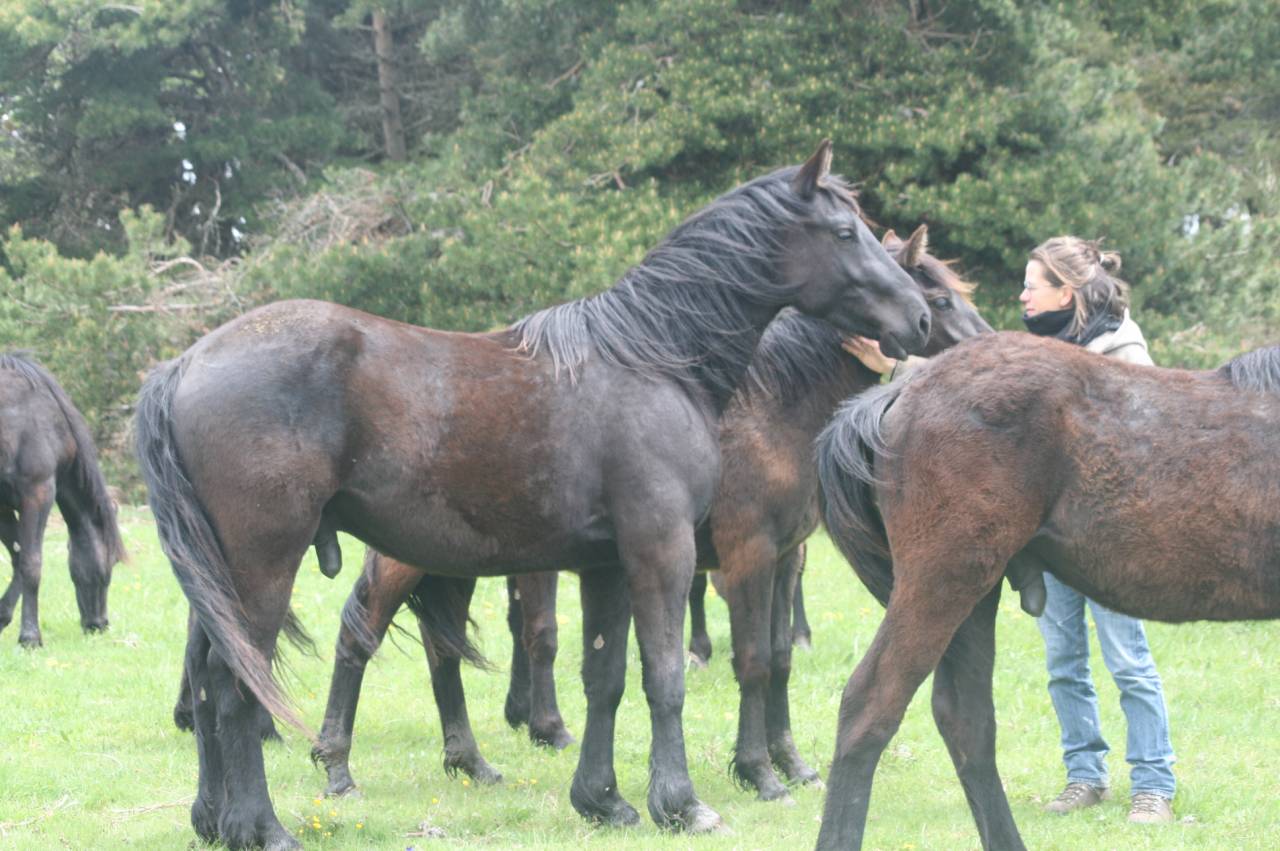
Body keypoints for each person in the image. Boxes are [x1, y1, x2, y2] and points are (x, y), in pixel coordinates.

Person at [844, 235, 1176, 824]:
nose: (1021, 294)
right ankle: (1085, 774)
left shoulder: (1122, 351)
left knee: (1127, 660)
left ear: (1065, 291)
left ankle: (1153, 781)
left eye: (1032, 284)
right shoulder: (1033, 349)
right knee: (1064, 661)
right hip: (1052, 536)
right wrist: (895, 368)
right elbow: (982, 396)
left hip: (1110, 537)